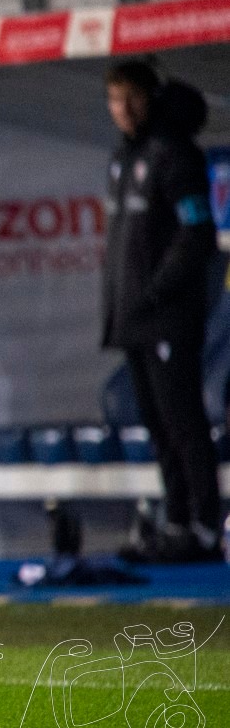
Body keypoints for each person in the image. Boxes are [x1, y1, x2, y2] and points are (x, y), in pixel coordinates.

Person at [102, 60, 221, 563]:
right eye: (115, 99)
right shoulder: (123, 159)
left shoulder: (174, 156)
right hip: (134, 319)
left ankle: (206, 526)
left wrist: (155, 292)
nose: (123, 110)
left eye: (132, 98)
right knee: (157, 424)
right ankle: (176, 520)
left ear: (151, 99)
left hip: (167, 317)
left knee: (183, 421)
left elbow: (197, 232)